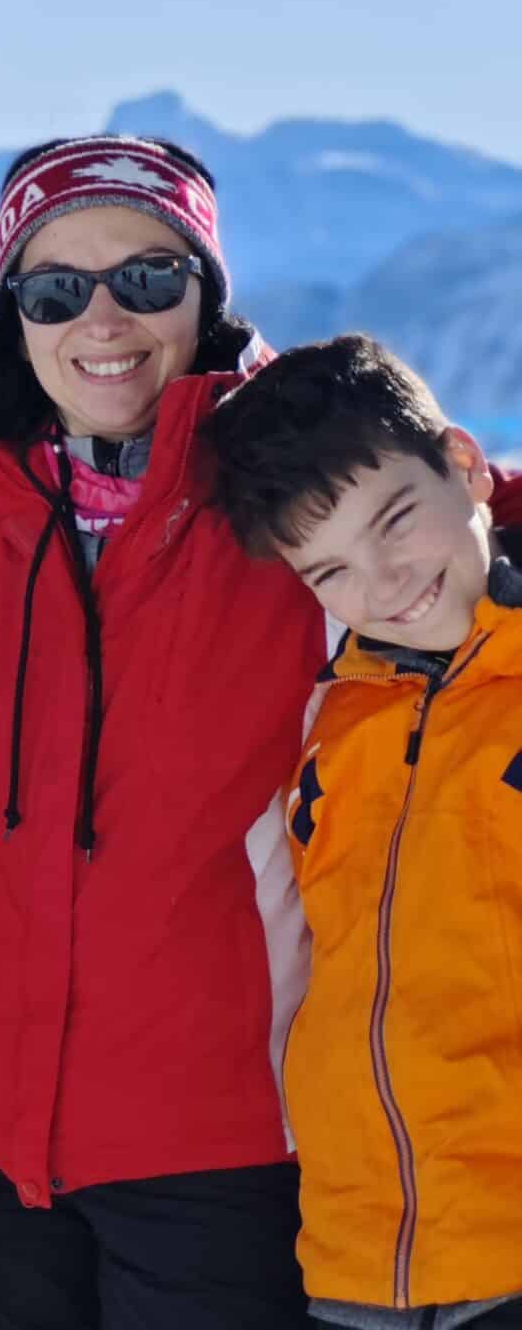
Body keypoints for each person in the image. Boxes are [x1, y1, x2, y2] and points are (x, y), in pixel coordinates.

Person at [0, 133, 522, 1327]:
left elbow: (449, 504)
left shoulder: (280, 490)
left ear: (205, 295)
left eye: (147, 278)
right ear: (12, 315)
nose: (103, 319)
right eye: (55, 288)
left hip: (217, 1143)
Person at [202, 334, 522, 1330]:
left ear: (462, 464)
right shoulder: (326, 724)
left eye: (395, 520)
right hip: (353, 1260)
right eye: (330, 569)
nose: (383, 582)